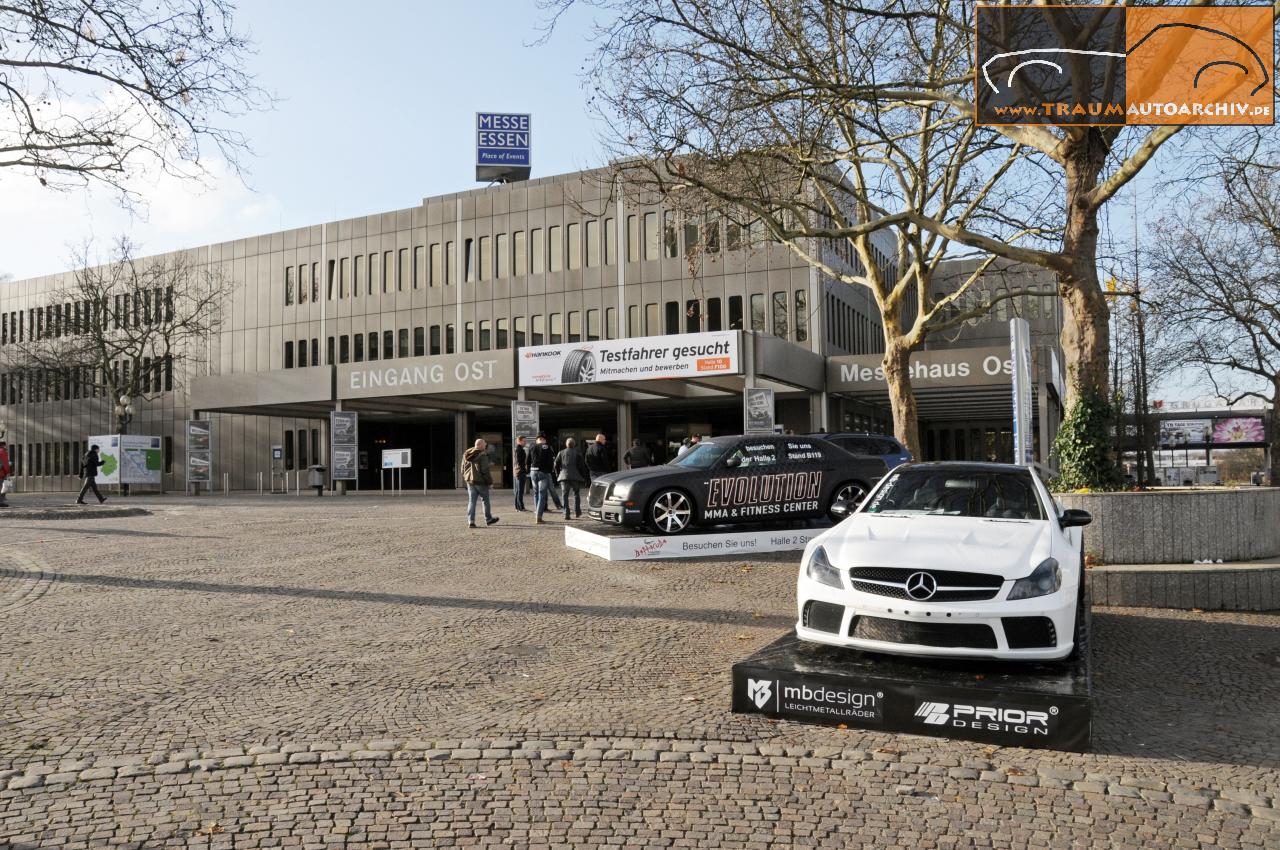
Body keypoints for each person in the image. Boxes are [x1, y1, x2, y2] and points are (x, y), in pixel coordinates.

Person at [460, 438, 499, 529]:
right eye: (485, 444)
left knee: (471, 501)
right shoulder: (482, 455)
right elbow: (485, 470)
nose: (486, 445)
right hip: (481, 482)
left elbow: (462, 468)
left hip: (470, 481)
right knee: (485, 500)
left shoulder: (467, 453)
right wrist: (489, 482)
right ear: (481, 445)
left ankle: (471, 521)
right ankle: (488, 519)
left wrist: (466, 477)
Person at [554, 437, 591, 519]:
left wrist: (558, 474)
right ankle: (577, 512)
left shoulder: (561, 452)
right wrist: (583, 477)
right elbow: (582, 467)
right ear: (574, 445)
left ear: (566, 444)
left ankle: (566, 513)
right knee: (576, 494)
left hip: (564, 476)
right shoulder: (578, 453)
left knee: (565, 495)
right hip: (575, 476)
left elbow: (556, 464)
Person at [528, 432, 557, 524]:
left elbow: (527, 460)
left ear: (537, 439)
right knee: (542, 495)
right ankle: (539, 517)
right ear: (544, 439)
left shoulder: (531, 447)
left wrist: (530, 470)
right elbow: (550, 461)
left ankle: (537, 512)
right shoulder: (547, 447)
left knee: (536, 493)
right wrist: (549, 471)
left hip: (533, 472)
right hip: (542, 472)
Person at [512, 435, 530, 512]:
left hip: (518, 472)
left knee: (518, 490)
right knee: (520, 490)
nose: (525, 442)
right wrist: (524, 470)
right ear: (519, 441)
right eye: (524, 441)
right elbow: (519, 462)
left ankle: (517, 506)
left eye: (525, 441)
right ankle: (520, 507)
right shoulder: (519, 450)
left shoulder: (518, 449)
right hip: (520, 472)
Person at [0, 439, 10, 508]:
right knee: (2, 485)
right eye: (4, 445)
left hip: (3, 471)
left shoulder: (3, 451)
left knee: (4, 485)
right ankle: (1, 500)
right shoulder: (2, 451)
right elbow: (3, 462)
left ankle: (2, 499)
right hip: (2, 471)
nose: (5, 446)